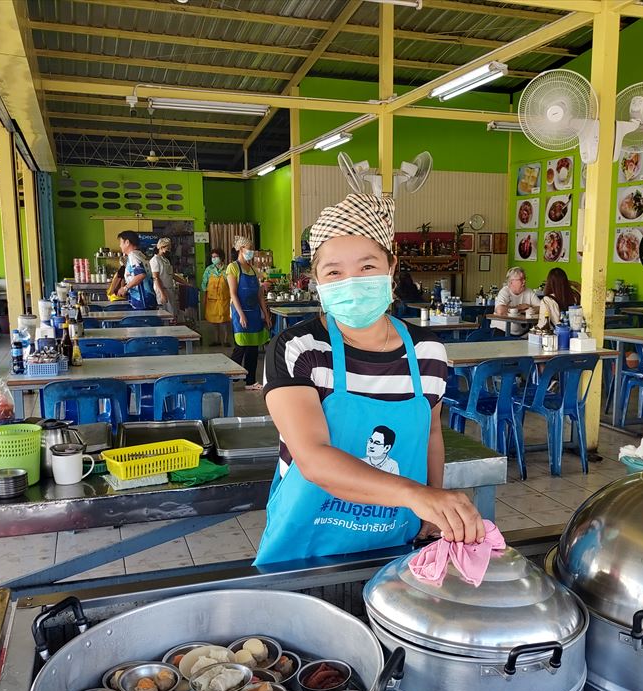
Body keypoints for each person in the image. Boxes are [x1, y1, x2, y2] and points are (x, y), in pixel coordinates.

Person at [255, 193, 485, 566]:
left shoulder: (427, 352)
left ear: (391, 267)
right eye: (334, 272)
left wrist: (433, 499)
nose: (352, 282)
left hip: (396, 546)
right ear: (316, 280)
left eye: (367, 266)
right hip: (306, 553)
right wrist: (417, 496)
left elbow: (431, 434)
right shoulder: (298, 349)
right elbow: (313, 458)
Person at [226, 235, 271, 389]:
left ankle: (250, 381)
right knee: (241, 346)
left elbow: (260, 296)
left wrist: (266, 314)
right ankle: (230, 379)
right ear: (241, 249)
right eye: (249, 249)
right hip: (240, 312)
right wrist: (241, 315)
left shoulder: (253, 270)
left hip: (254, 313)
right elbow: (233, 293)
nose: (251, 252)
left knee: (253, 347)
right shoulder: (233, 267)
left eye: (252, 249)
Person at [492, 266, 545, 335]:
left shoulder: (529, 291)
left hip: (522, 334)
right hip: (501, 332)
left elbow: (542, 307)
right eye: (521, 279)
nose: (524, 281)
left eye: (525, 278)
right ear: (511, 282)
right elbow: (500, 310)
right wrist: (519, 308)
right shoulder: (505, 291)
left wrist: (527, 309)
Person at [116, 231, 157, 310]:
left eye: (121, 242)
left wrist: (125, 288)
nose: (120, 245)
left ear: (127, 242)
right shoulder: (140, 255)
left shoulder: (133, 256)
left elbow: (141, 275)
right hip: (147, 299)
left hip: (142, 301)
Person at [201, 248, 232, 347]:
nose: (214, 259)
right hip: (212, 300)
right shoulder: (209, 270)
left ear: (221, 257)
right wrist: (204, 299)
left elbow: (232, 285)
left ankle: (226, 340)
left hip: (224, 299)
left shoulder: (227, 269)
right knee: (214, 321)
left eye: (216, 256)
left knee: (225, 320)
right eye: (212, 257)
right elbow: (204, 285)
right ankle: (216, 339)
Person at [151, 237, 178, 318]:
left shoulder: (166, 260)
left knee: (171, 314)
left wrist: (186, 283)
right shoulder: (155, 260)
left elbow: (172, 275)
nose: (169, 250)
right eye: (167, 248)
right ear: (161, 247)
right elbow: (156, 278)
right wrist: (162, 293)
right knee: (164, 315)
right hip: (161, 290)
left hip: (169, 289)